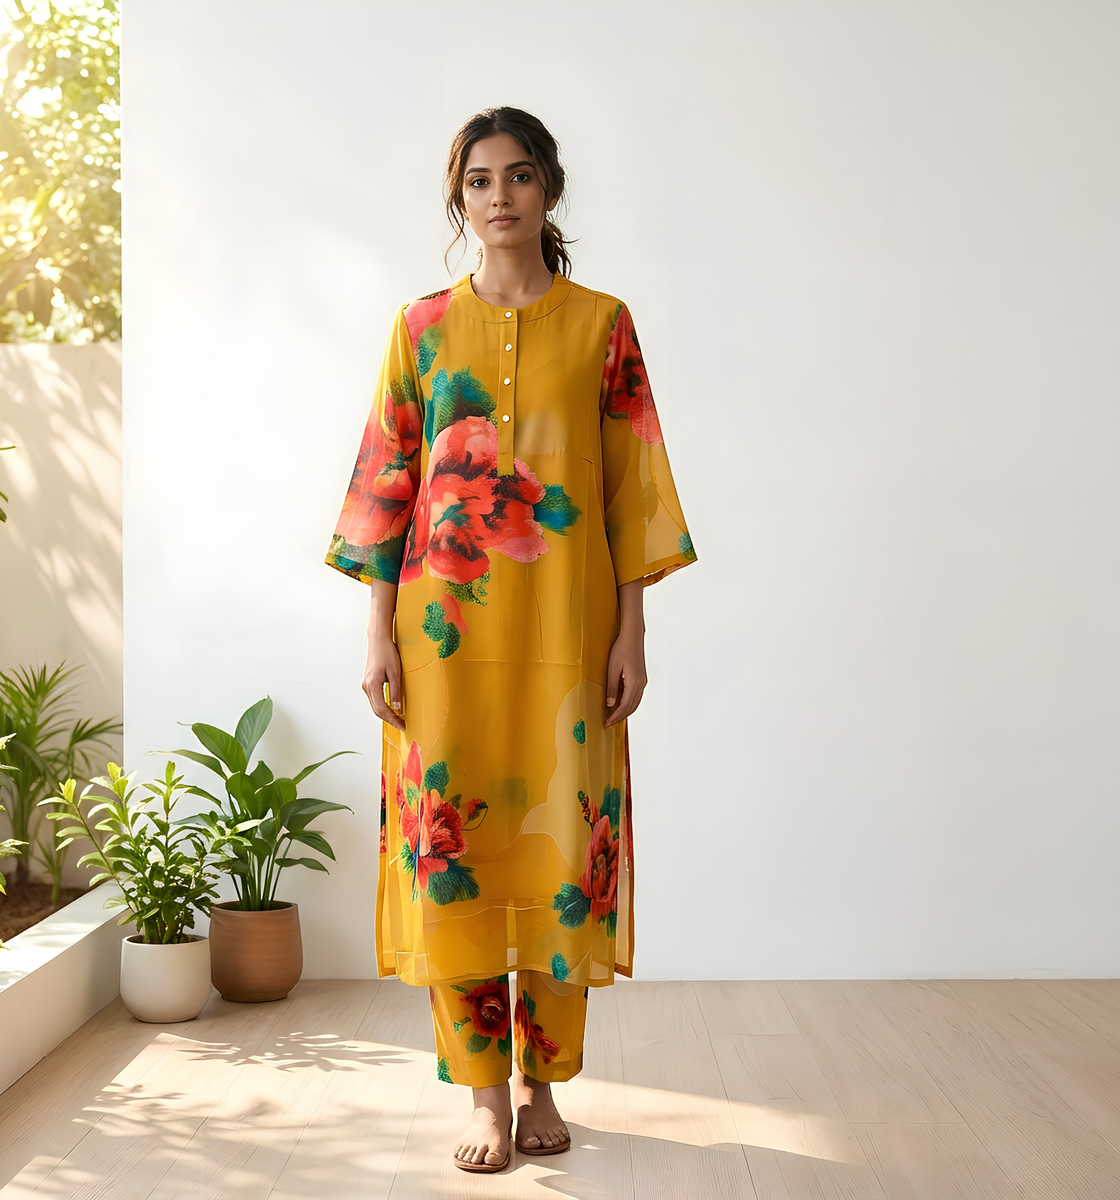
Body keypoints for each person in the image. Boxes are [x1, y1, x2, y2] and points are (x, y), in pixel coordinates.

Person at [325, 105, 696, 1174]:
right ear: (461, 199)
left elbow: (632, 492)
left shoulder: (604, 326)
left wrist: (633, 632)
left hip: (570, 644)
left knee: (560, 848)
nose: (501, 196)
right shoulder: (419, 329)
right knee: (455, 853)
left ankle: (543, 1085)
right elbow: (385, 486)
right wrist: (376, 634)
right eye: (480, 180)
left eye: (520, 175)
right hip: (440, 647)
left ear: (549, 190)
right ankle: (484, 1096)